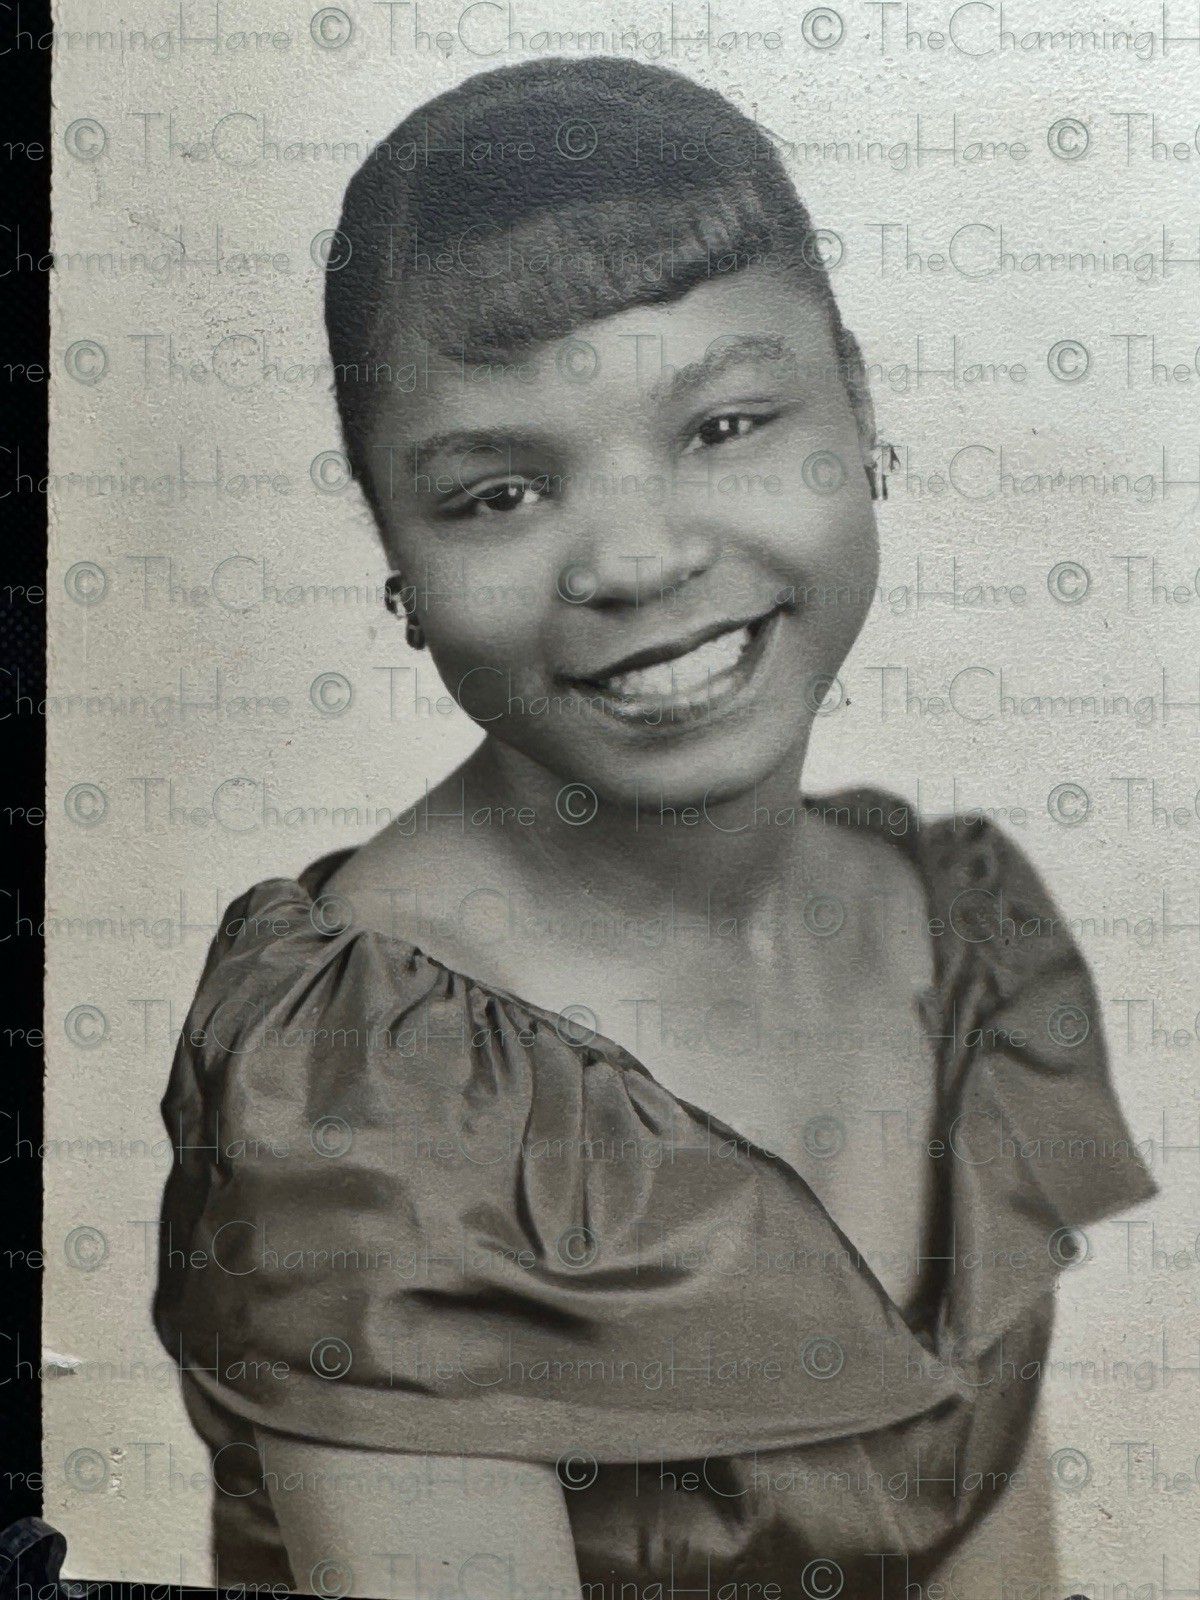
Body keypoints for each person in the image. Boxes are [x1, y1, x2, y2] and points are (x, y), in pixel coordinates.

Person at [153, 56, 1156, 1599]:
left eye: (726, 423)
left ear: (863, 407)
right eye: (496, 495)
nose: (635, 558)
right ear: (391, 555)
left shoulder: (964, 933)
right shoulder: (370, 1084)